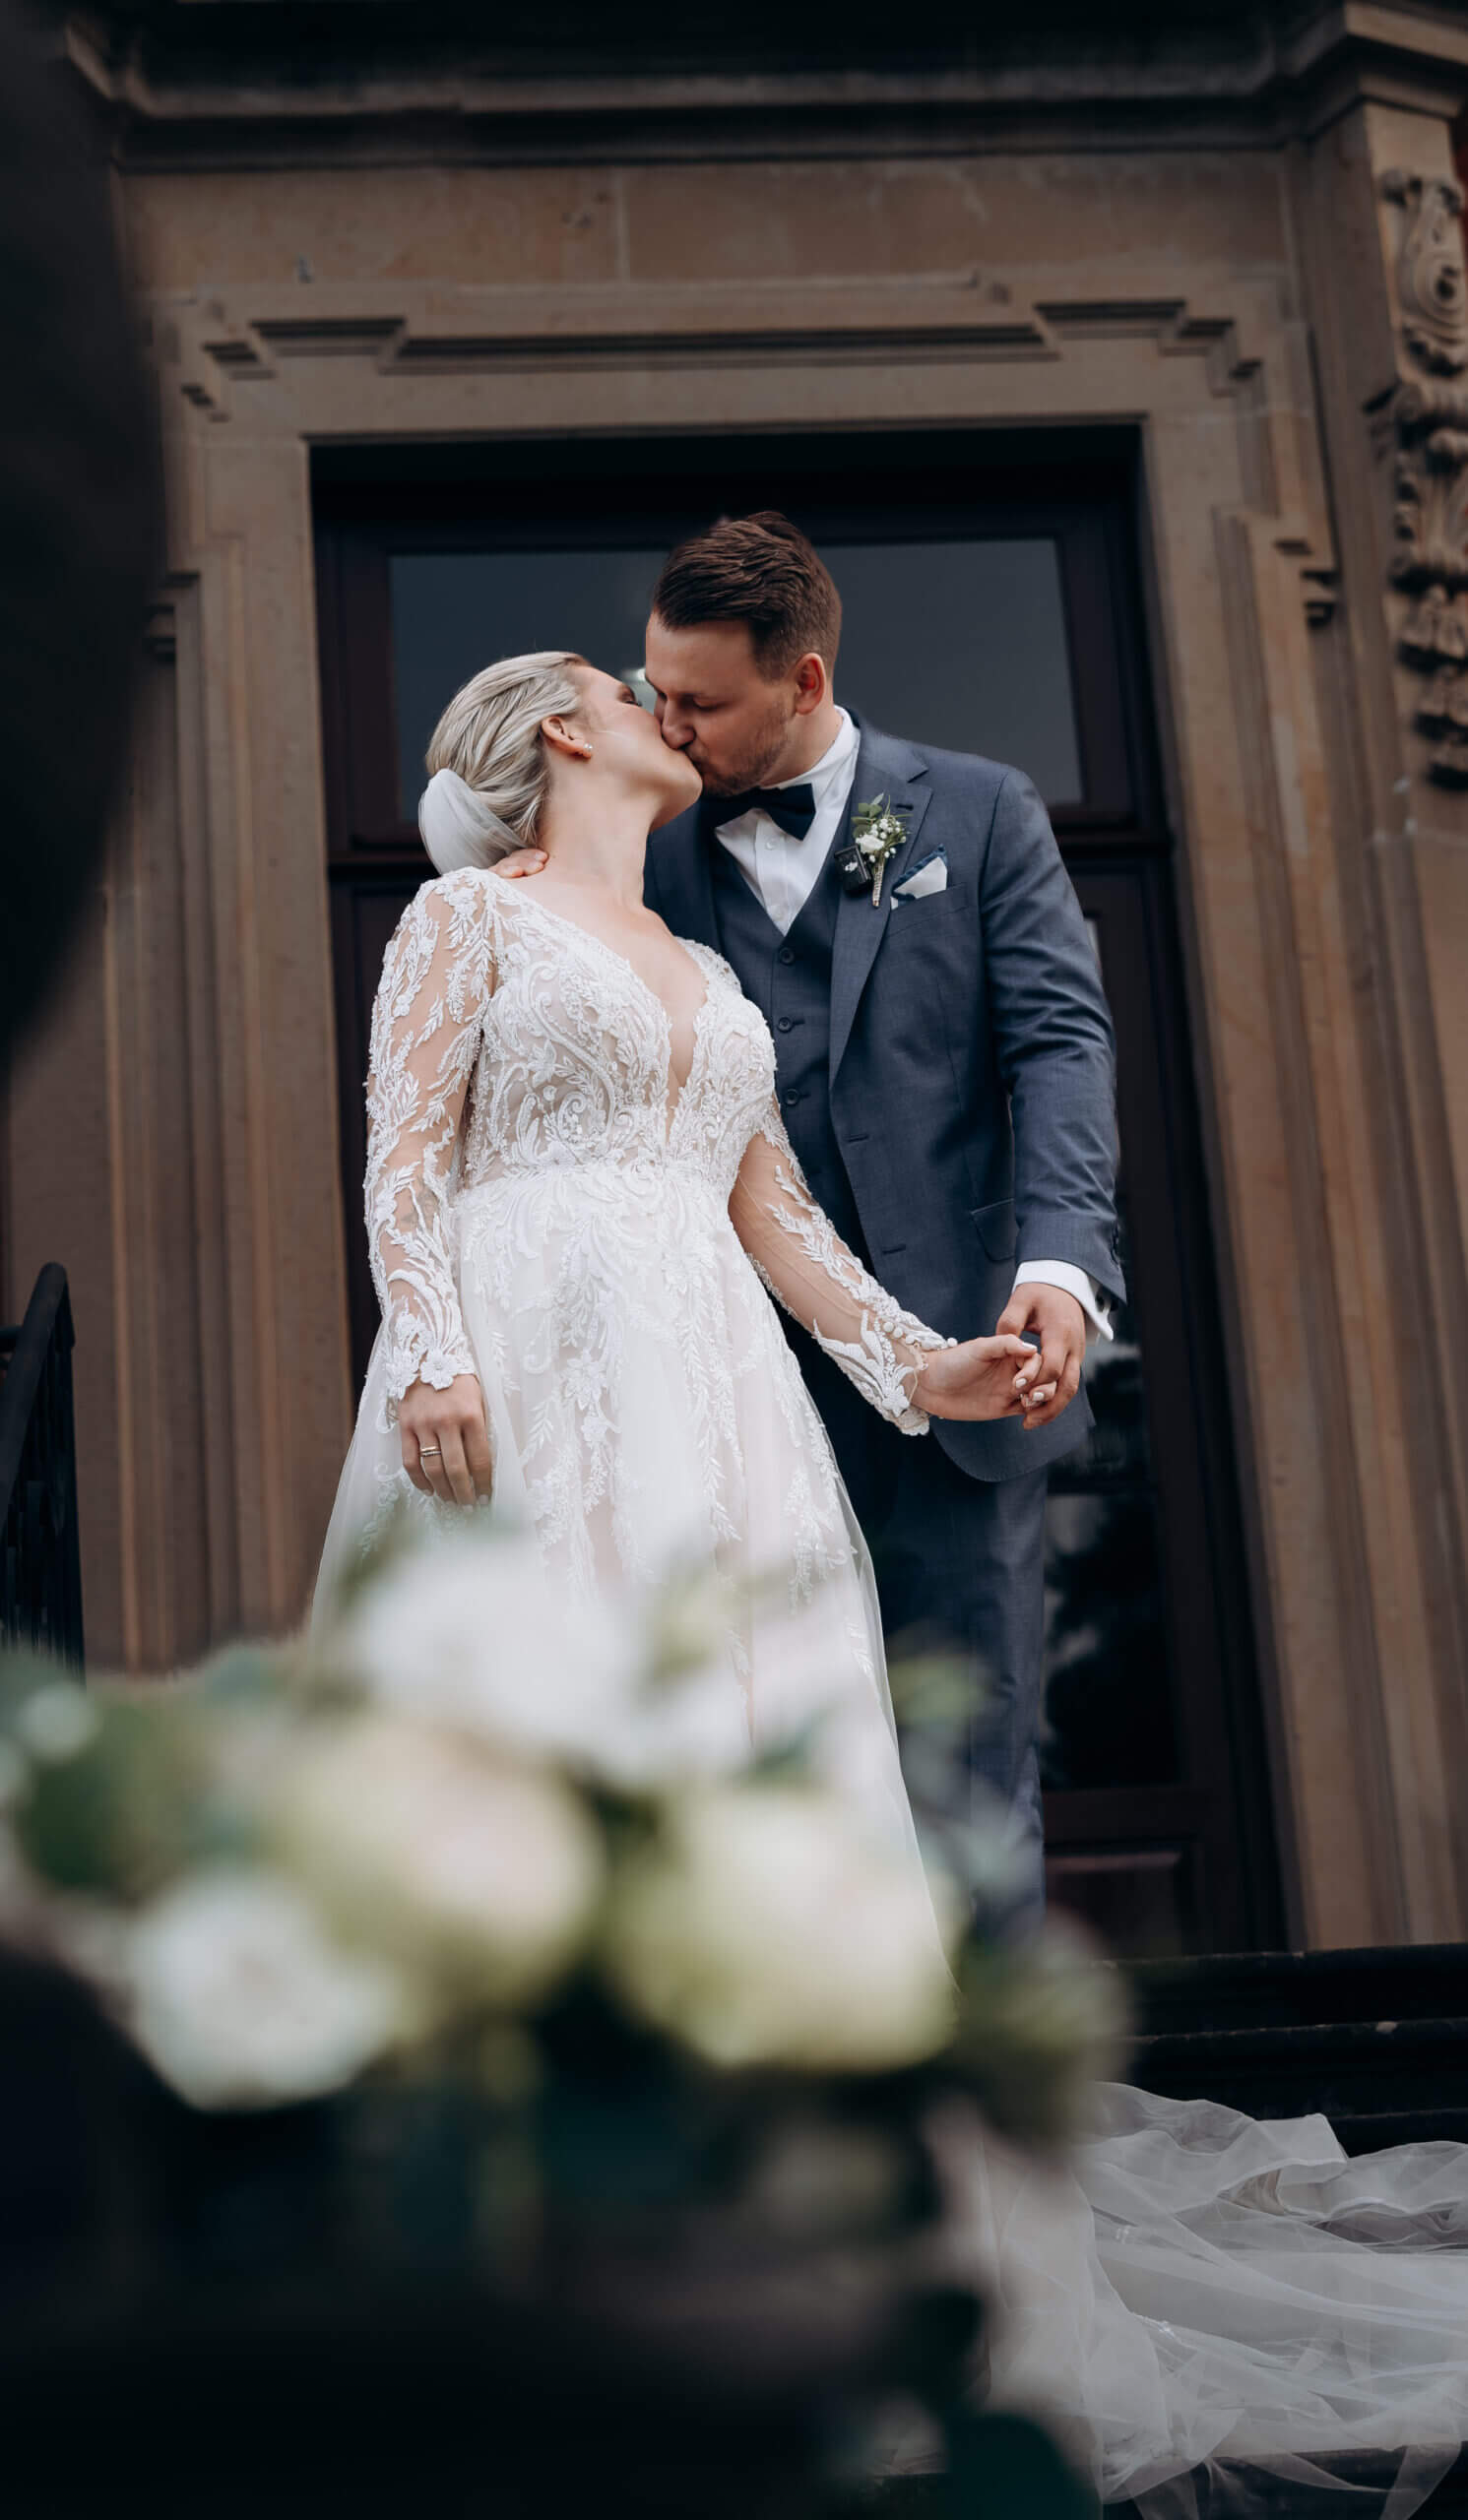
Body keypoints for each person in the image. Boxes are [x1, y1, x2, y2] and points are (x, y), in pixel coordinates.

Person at [312, 647, 1468, 2518]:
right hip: (531, 1370)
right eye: (632, 688)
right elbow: (400, 1155)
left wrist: (920, 1367)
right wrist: (431, 1349)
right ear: (560, 731)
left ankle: (780, 2257)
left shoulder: (699, 971)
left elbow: (777, 1215)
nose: (663, 713)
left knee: (750, 1777)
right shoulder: (464, 924)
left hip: (716, 1399)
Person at [498, 514, 1117, 1920]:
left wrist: (1062, 1269)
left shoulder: (973, 810)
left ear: (807, 682)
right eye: (656, 692)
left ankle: (978, 2115)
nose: (671, 722)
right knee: (758, 1773)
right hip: (726, 1388)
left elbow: (1060, 1046)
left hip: (960, 1372)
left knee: (966, 1769)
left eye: (702, 702)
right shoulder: (638, 859)